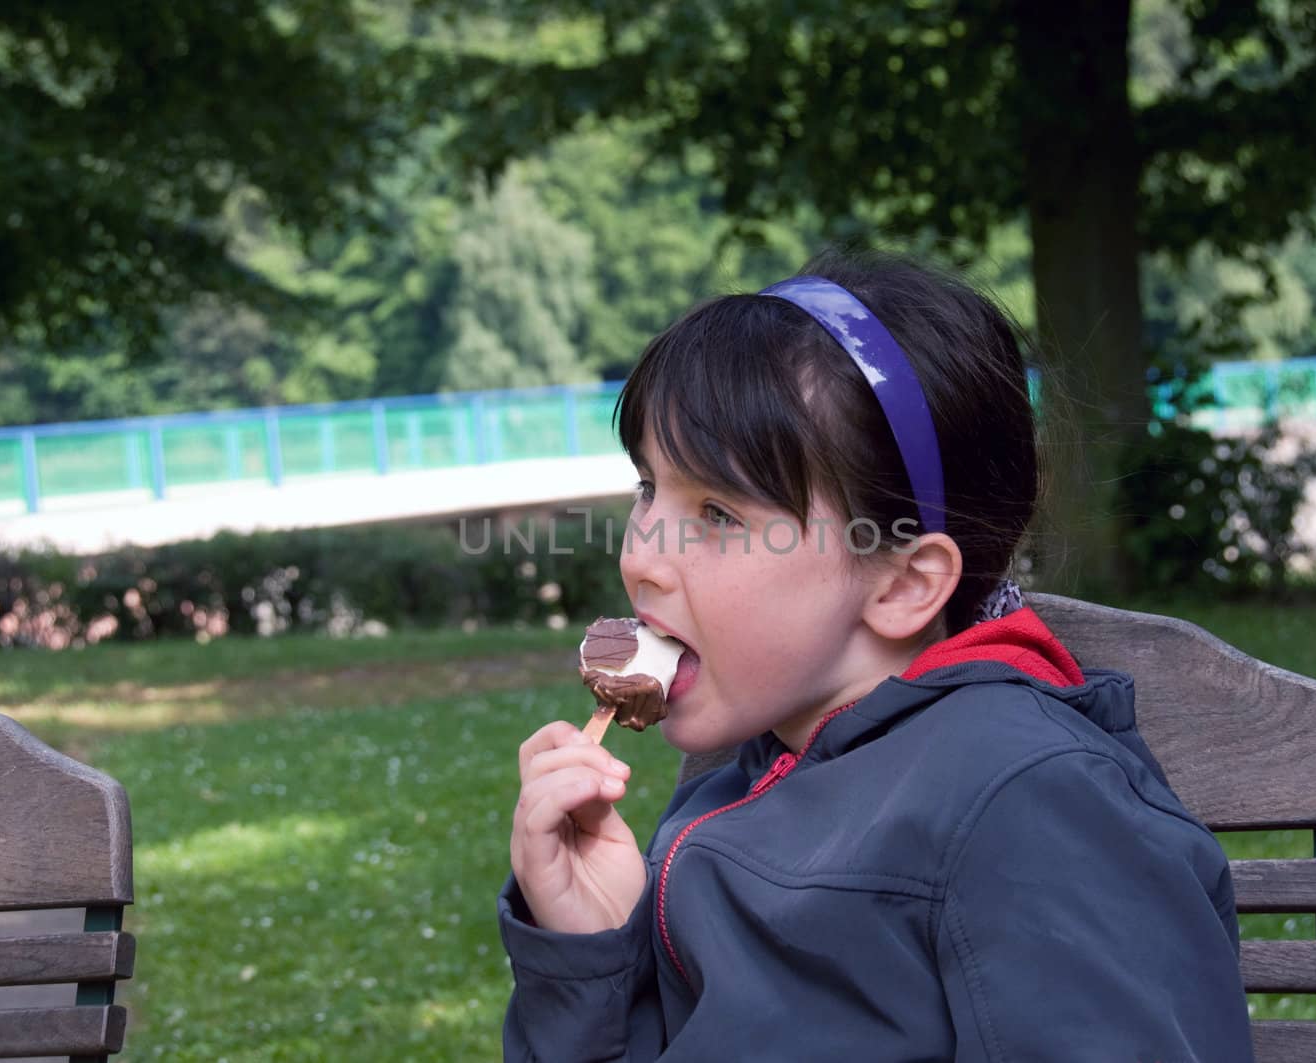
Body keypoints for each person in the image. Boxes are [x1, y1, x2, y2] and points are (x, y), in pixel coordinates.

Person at [500, 248, 1255, 1061]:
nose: (642, 553)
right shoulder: (737, 781)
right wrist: (592, 950)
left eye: (717, 512)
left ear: (902, 585)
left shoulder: (1029, 799)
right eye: (650, 486)